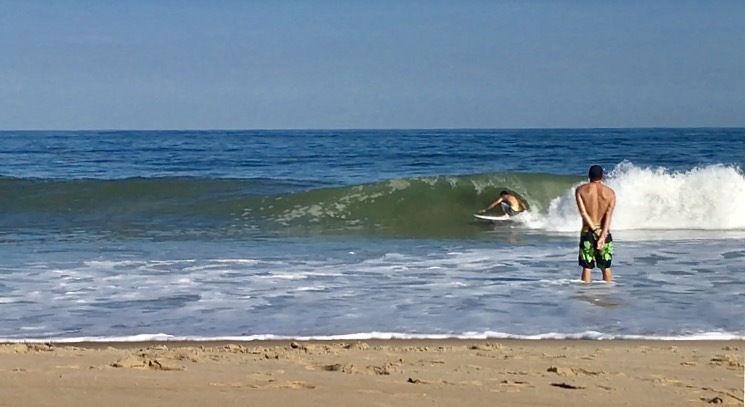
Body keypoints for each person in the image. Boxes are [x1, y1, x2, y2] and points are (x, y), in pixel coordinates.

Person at [575, 165, 616, 283]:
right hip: (605, 232)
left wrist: (594, 230)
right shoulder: (610, 192)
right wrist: (602, 235)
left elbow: (583, 213)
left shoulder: (580, 190)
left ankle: (586, 295)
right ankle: (607, 294)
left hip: (588, 231)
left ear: (589, 175)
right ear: (602, 176)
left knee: (587, 267)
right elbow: (608, 215)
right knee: (606, 267)